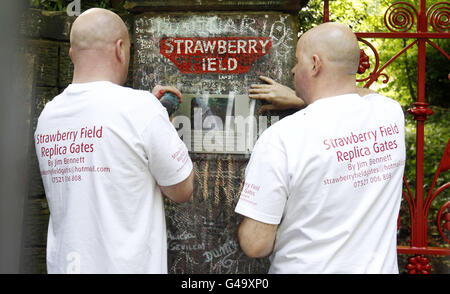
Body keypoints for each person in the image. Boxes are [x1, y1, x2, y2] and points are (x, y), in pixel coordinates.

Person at [234, 22, 406, 274]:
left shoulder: (281, 138)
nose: (293, 71)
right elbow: (360, 93)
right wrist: (301, 97)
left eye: (297, 61)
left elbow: (256, 245)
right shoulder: (390, 113)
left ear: (315, 64)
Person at [34, 8, 193, 274]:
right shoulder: (142, 109)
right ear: (120, 49)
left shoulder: (48, 116)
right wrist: (159, 119)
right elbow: (182, 189)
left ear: (73, 54)